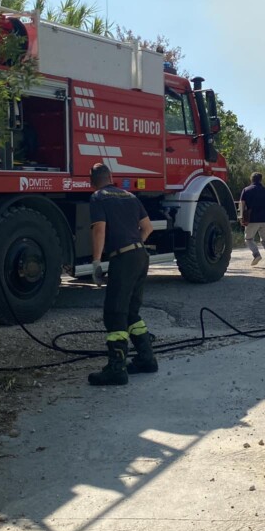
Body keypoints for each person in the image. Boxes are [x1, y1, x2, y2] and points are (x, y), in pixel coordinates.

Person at [87, 162, 157, 386]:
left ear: (92, 182)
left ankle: (116, 369)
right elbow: (148, 228)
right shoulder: (129, 195)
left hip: (123, 258)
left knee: (115, 313)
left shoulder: (98, 197)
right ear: (111, 176)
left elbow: (99, 229)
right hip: (140, 255)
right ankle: (146, 359)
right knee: (131, 312)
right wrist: (135, 245)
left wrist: (97, 262)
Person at [239, 172, 265, 268]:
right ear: (261, 180)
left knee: (248, 239)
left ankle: (256, 254)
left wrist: (241, 218)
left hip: (251, 220)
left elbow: (241, 205)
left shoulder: (246, 190)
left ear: (251, 179)